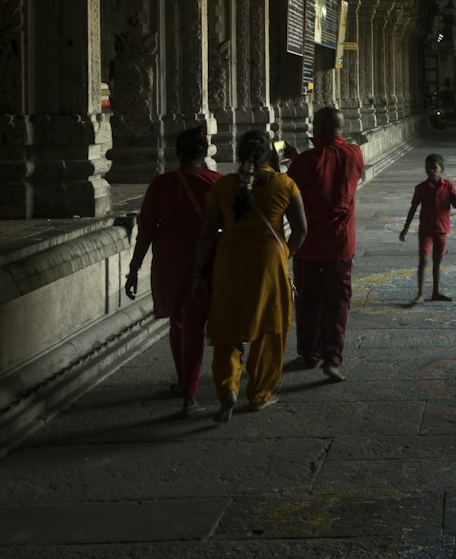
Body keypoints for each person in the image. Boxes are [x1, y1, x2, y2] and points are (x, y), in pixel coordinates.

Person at [193, 129, 307, 422]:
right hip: (270, 261)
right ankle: (258, 394)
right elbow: (302, 230)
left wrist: (198, 273)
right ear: (270, 153)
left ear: (239, 152)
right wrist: (286, 253)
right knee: (270, 328)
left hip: (229, 260)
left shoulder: (223, 187)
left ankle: (228, 389)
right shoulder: (284, 183)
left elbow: (206, 235)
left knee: (227, 329)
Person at [124, 128, 221, 418]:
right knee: (198, 327)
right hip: (207, 263)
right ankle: (192, 394)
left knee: (179, 324)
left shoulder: (161, 184)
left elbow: (146, 231)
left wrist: (133, 269)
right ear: (204, 153)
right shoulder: (218, 183)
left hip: (169, 263)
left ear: (177, 153)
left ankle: (185, 386)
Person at [287, 106, 365, 382]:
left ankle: (310, 352)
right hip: (341, 244)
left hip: (307, 244)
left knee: (308, 299)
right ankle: (333, 358)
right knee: (339, 300)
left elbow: (292, 189)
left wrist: (290, 161)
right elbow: (334, 171)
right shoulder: (354, 155)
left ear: (316, 129)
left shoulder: (305, 162)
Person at [399, 153, 456, 305]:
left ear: (442, 169)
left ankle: (435, 291)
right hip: (425, 230)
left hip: (442, 230)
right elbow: (413, 208)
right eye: (428, 168)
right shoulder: (421, 188)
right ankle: (420, 293)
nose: (430, 171)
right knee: (423, 259)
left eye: (434, 168)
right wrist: (405, 228)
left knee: (437, 262)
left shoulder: (448, 186)